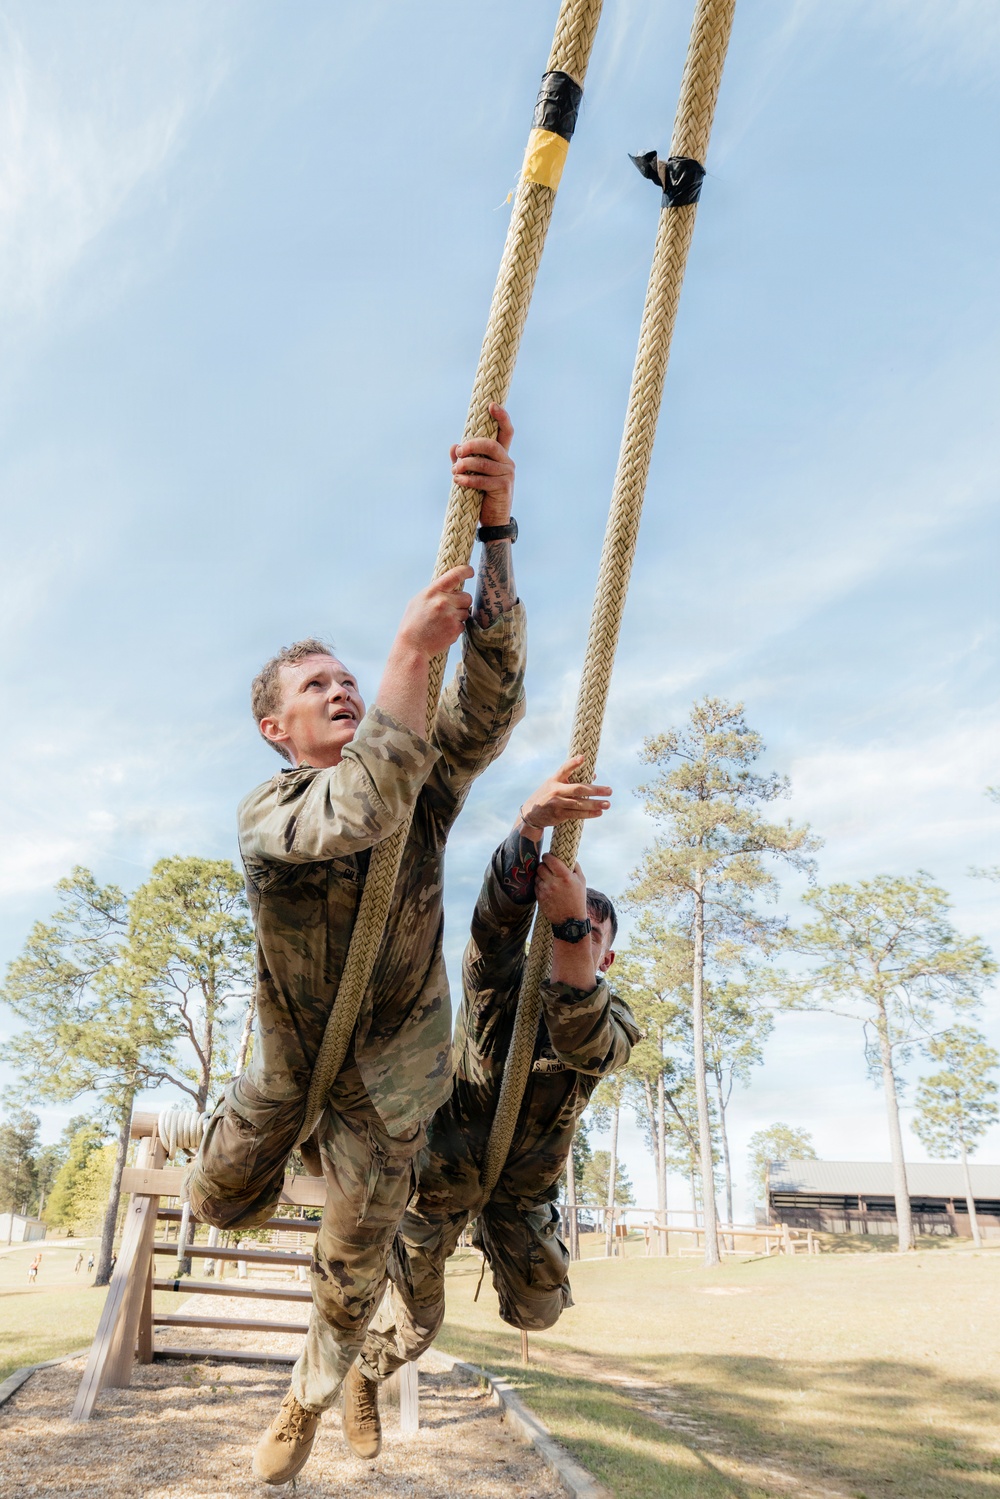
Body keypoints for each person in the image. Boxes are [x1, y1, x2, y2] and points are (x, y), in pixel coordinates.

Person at [184, 408, 526, 1486]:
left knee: (348, 1274)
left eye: (348, 679)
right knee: (218, 1199)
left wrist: (497, 539)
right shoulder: (272, 812)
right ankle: (253, 1186)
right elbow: (361, 806)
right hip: (288, 1079)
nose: (339, 690)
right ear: (276, 730)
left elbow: (488, 704)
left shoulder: (416, 788)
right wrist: (400, 659)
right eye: (314, 687)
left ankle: (308, 1397)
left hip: (387, 1084)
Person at [345, 756, 640, 1458]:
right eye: (561, 929)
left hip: (520, 1195)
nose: (572, 937)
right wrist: (527, 829)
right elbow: (494, 926)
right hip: (442, 1175)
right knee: (418, 1325)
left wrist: (569, 927)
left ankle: (493, 1239)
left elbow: (580, 1033)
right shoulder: (497, 988)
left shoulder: (612, 1016)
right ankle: (364, 1370)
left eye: (591, 934)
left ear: (607, 960)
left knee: (539, 1310)